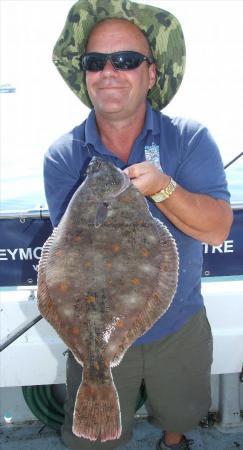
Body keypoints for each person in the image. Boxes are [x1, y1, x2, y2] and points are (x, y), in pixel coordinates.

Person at [44, 1, 233, 449]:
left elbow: (218, 229)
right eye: (95, 62)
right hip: (95, 328)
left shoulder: (189, 139)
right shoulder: (63, 155)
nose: (109, 71)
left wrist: (164, 188)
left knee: (182, 412)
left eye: (126, 60)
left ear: (151, 73)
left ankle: (172, 442)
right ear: (85, 75)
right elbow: (69, 252)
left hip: (179, 322)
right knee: (95, 440)